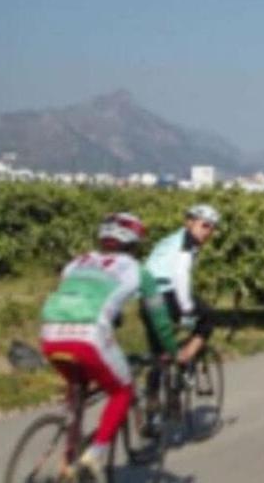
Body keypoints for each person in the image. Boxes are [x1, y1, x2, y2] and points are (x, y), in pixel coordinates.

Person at [40, 213, 179, 481]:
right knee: (122, 391)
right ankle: (95, 455)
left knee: (77, 386)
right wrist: (171, 351)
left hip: (50, 333)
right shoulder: (138, 271)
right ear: (135, 242)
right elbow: (159, 319)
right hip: (89, 336)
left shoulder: (75, 262)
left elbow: (75, 297)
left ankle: (69, 457)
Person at [144, 204, 220, 364]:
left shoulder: (170, 240)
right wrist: (186, 309)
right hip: (166, 293)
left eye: (212, 228)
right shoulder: (187, 242)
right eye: (204, 225)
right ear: (189, 222)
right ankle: (185, 357)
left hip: (146, 296)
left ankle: (154, 387)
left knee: (159, 354)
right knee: (208, 316)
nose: (208, 232)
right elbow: (180, 275)